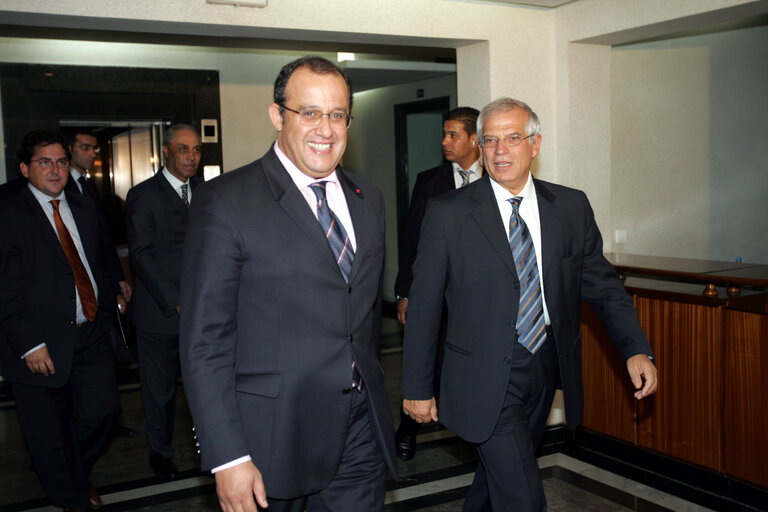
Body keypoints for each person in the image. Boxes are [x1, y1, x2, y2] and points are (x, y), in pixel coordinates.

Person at [401, 98, 658, 512]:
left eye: (513, 139)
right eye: (490, 140)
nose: (500, 151)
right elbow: (426, 304)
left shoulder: (571, 207)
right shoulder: (448, 214)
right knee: (522, 495)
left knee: (496, 481)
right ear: (481, 148)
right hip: (480, 373)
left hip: (544, 367)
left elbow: (603, 286)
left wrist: (635, 348)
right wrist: (416, 386)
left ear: (534, 145)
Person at [179, 56, 398, 512]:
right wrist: (228, 455)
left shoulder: (368, 199)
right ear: (278, 115)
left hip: (359, 428)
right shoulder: (226, 201)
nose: (326, 128)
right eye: (310, 112)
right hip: (272, 439)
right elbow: (205, 341)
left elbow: (359, 314)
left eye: (337, 115)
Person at [0, 130, 123, 511]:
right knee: (48, 433)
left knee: (106, 412)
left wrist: (112, 289)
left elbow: (95, 256)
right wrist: (29, 344)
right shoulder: (8, 213)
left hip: (90, 331)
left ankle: (70, 470)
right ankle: (72, 497)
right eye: (44, 162)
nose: (55, 170)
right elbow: (5, 288)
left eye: (61, 162)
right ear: (24, 168)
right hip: (39, 342)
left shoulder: (83, 206)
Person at [393, 106, 481, 460]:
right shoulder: (429, 182)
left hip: (476, 296)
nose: (444, 142)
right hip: (434, 291)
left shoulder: (496, 177)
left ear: (474, 140)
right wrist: (404, 291)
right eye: (444, 134)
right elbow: (412, 239)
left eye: (453, 135)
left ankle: (471, 427)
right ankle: (408, 428)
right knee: (424, 356)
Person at [126, 124, 202, 478]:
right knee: (160, 394)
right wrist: (175, 301)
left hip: (203, 316)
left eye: (197, 150)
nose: (191, 157)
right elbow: (141, 256)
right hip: (160, 316)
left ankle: (210, 450)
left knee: (205, 387)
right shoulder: (144, 195)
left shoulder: (206, 192)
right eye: (184, 149)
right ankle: (160, 455)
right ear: (167, 152)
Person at [67, 130, 132, 303]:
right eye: (85, 147)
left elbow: (103, 235)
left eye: (94, 148)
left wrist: (118, 276)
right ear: (69, 149)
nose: (92, 154)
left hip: (100, 272)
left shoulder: (89, 186)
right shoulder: (61, 186)